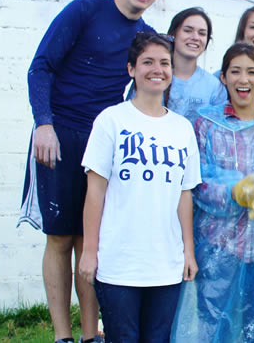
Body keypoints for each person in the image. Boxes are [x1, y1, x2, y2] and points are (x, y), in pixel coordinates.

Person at [19, 0, 167, 343]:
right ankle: (62, 336)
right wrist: (43, 124)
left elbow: (153, 86)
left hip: (104, 140)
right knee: (61, 237)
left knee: (90, 239)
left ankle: (90, 336)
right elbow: (41, 67)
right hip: (60, 134)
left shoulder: (145, 36)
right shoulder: (85, 10)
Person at [170, 43, 254, 342]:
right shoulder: (205, 125)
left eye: (251, 72)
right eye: (235, 71)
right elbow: (195, 182)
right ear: (223, 77)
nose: (243, 80)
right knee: (213, 326)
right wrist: (236, 193)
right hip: (217, 249)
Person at [78, 32, 200, 342]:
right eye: (148, 62)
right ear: (132, 69)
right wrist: (90, 251)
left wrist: (188, 251)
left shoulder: (182, 128)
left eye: (164, 63)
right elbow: (95, 192)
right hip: (119, 261)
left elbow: (184, 195)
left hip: (166, 262)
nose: (157, 69)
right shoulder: (111, 121)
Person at [127, 7, 226, 119]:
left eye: (202, 33)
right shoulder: (152, 76)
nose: (195, 37)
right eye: (188, 30)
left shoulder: (214, 86)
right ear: (173, 34)